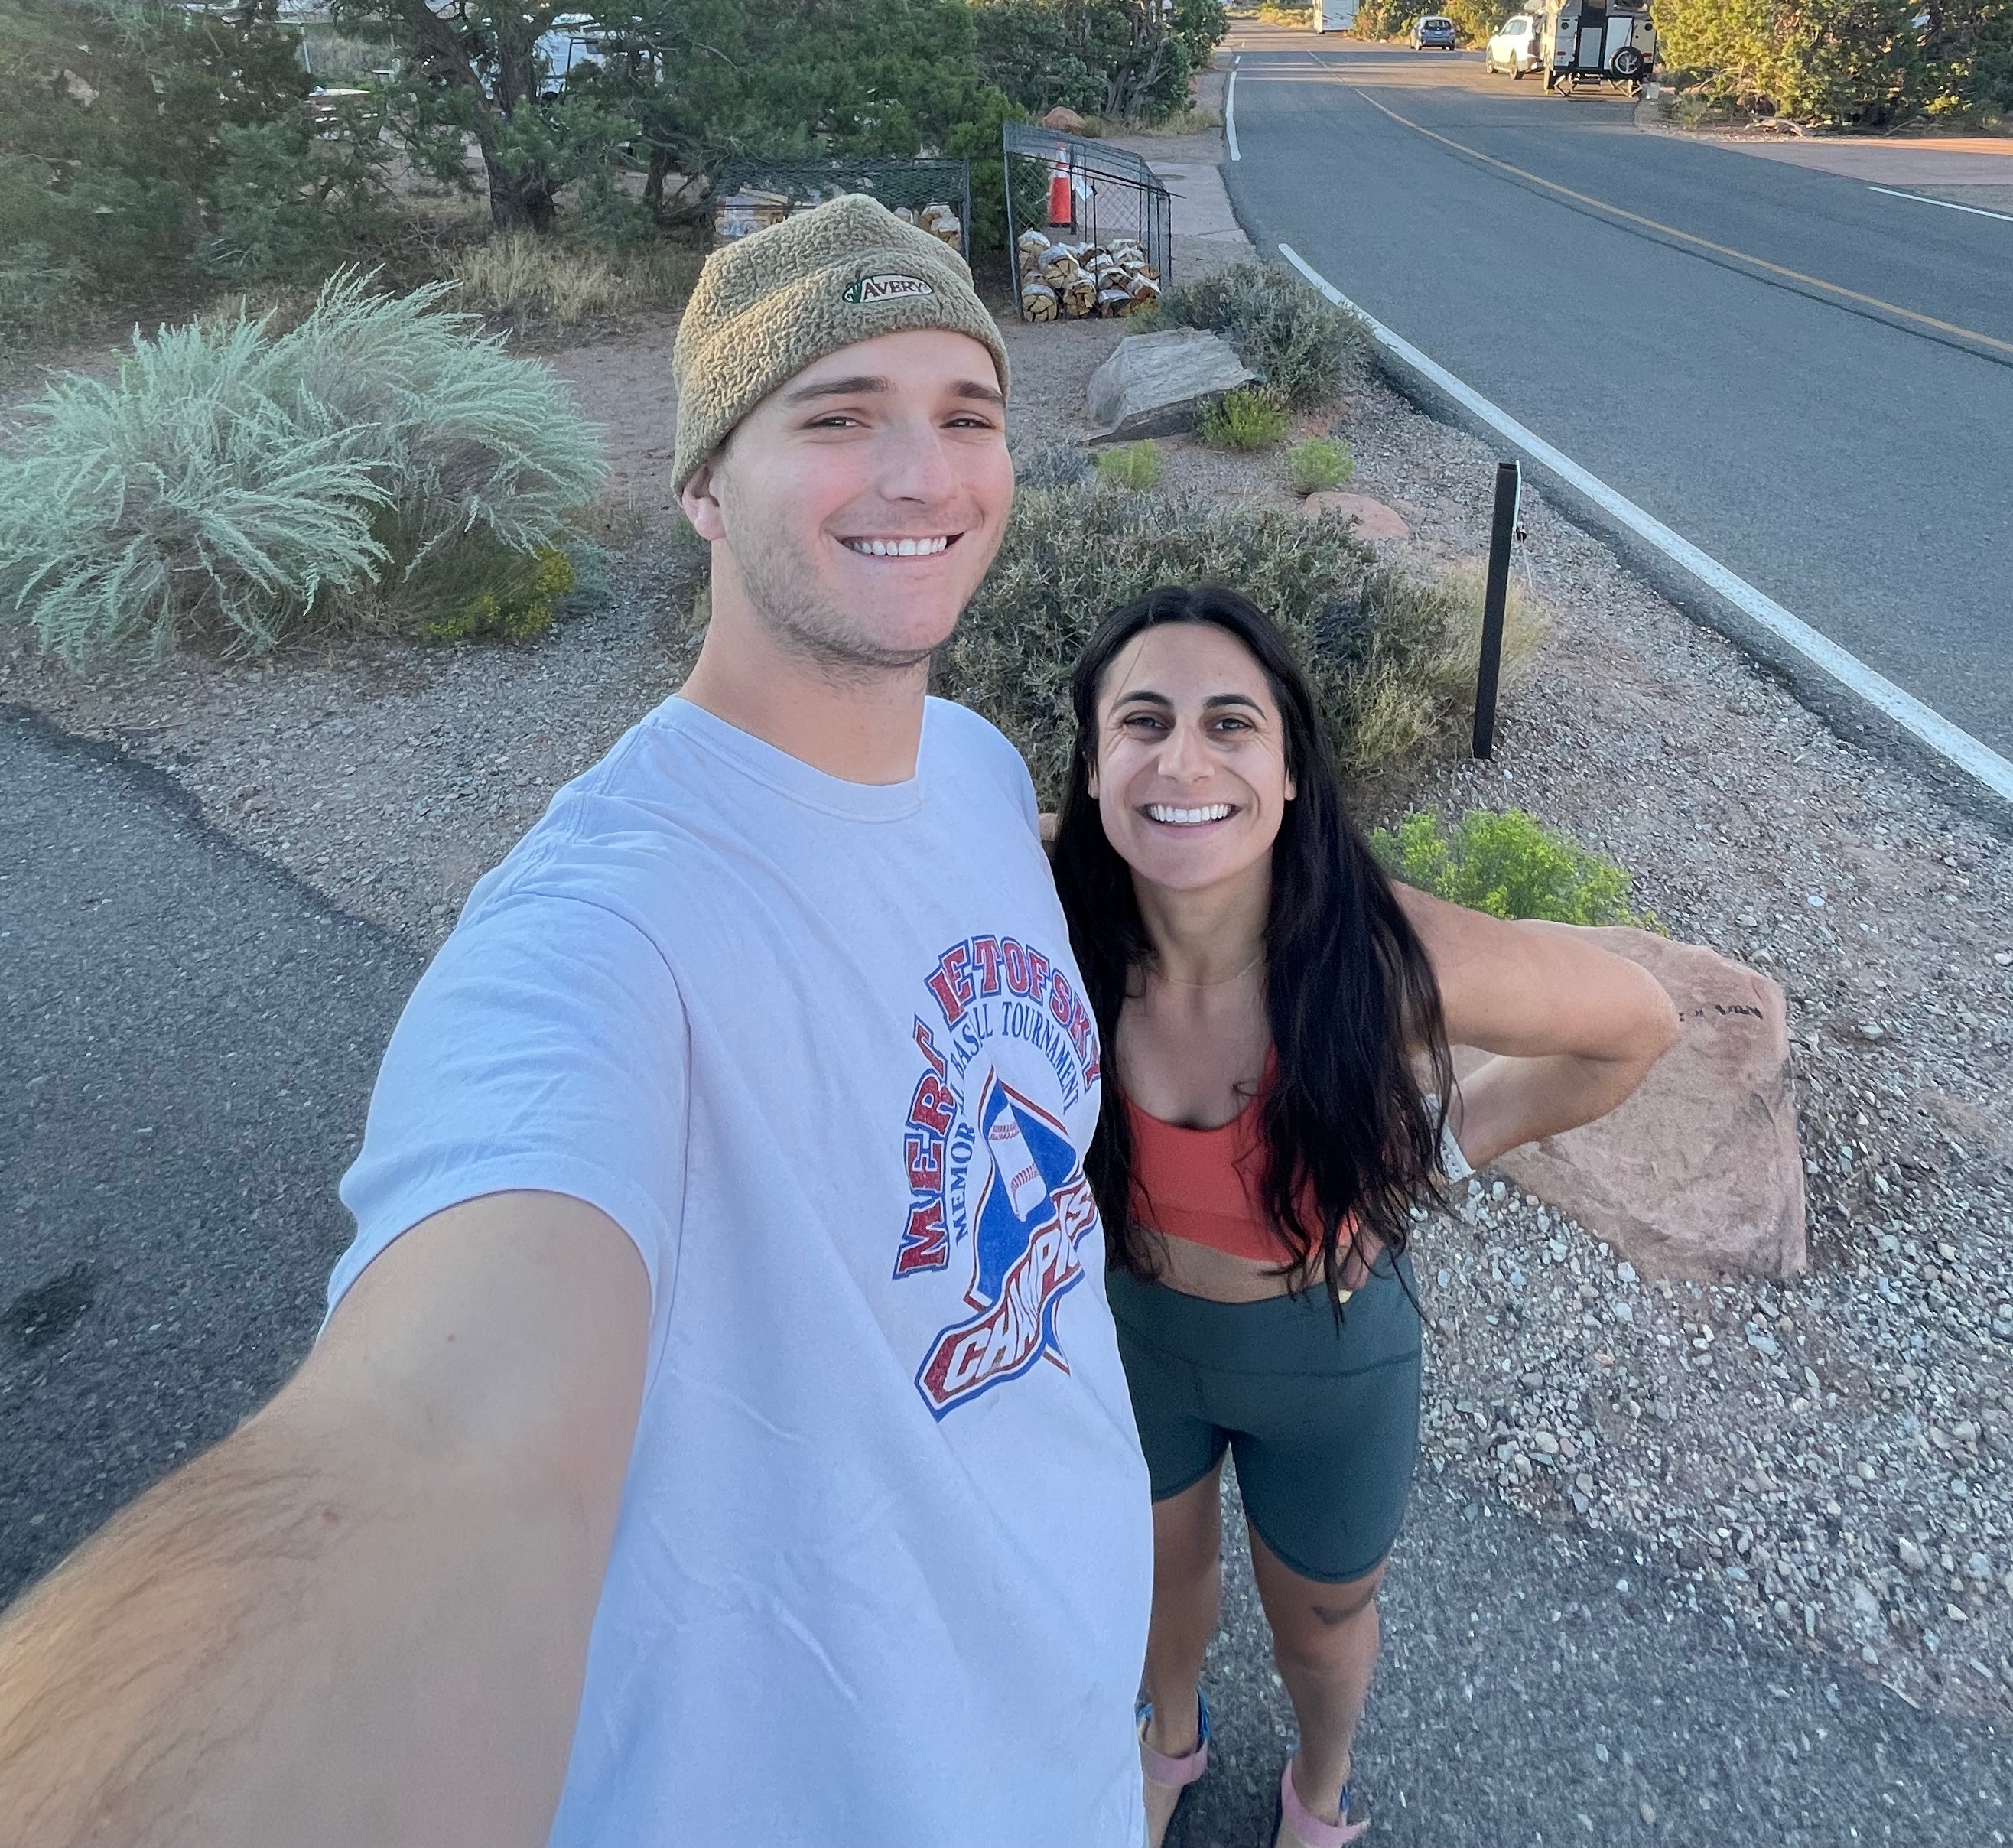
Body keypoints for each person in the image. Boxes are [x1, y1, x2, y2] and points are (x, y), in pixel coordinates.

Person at [0, 197, 1153, 1848]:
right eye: (837, 418)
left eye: (967, 418)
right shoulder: (600, 934)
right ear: (702, 485)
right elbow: (434, 1448)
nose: (925, 475)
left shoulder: (970, 765)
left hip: (1067, 1750)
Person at [1051, 584, 1680, 1848]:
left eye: (1232, 724)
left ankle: (1318, 1795)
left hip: (1327, 1355)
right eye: (1142, 722)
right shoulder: (1049, 923)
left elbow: (1635, 1026)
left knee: (1320, 1625)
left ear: (1290, 776)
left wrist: (1442, 1150)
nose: (1182, 760)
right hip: (1129, 1333)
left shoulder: (1387, 956)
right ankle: (1168, 1739)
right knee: (1157, 1586)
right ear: (1093, 763)